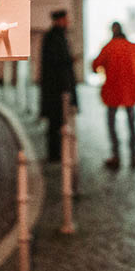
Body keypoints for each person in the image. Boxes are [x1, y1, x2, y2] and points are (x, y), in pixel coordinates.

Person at [91, 22, 135, 170]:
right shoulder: (133, 47)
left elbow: (95, 65)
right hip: (130, 92)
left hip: (113, 92)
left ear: (112, 31)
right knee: (132, 124)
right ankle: (133, 156)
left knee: (112, 124)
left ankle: (116, 156)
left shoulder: (108, 47)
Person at [39, 9, 76, 163]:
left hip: (59, 88)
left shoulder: (58, 36)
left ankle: (58, 153)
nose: (68, 22)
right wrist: (69, 60)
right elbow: (55, 63)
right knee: (55, 123)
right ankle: (55, 154)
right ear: (58, 20)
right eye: (65, 19)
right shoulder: (53, 37)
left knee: (58, 122)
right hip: (56, 89)